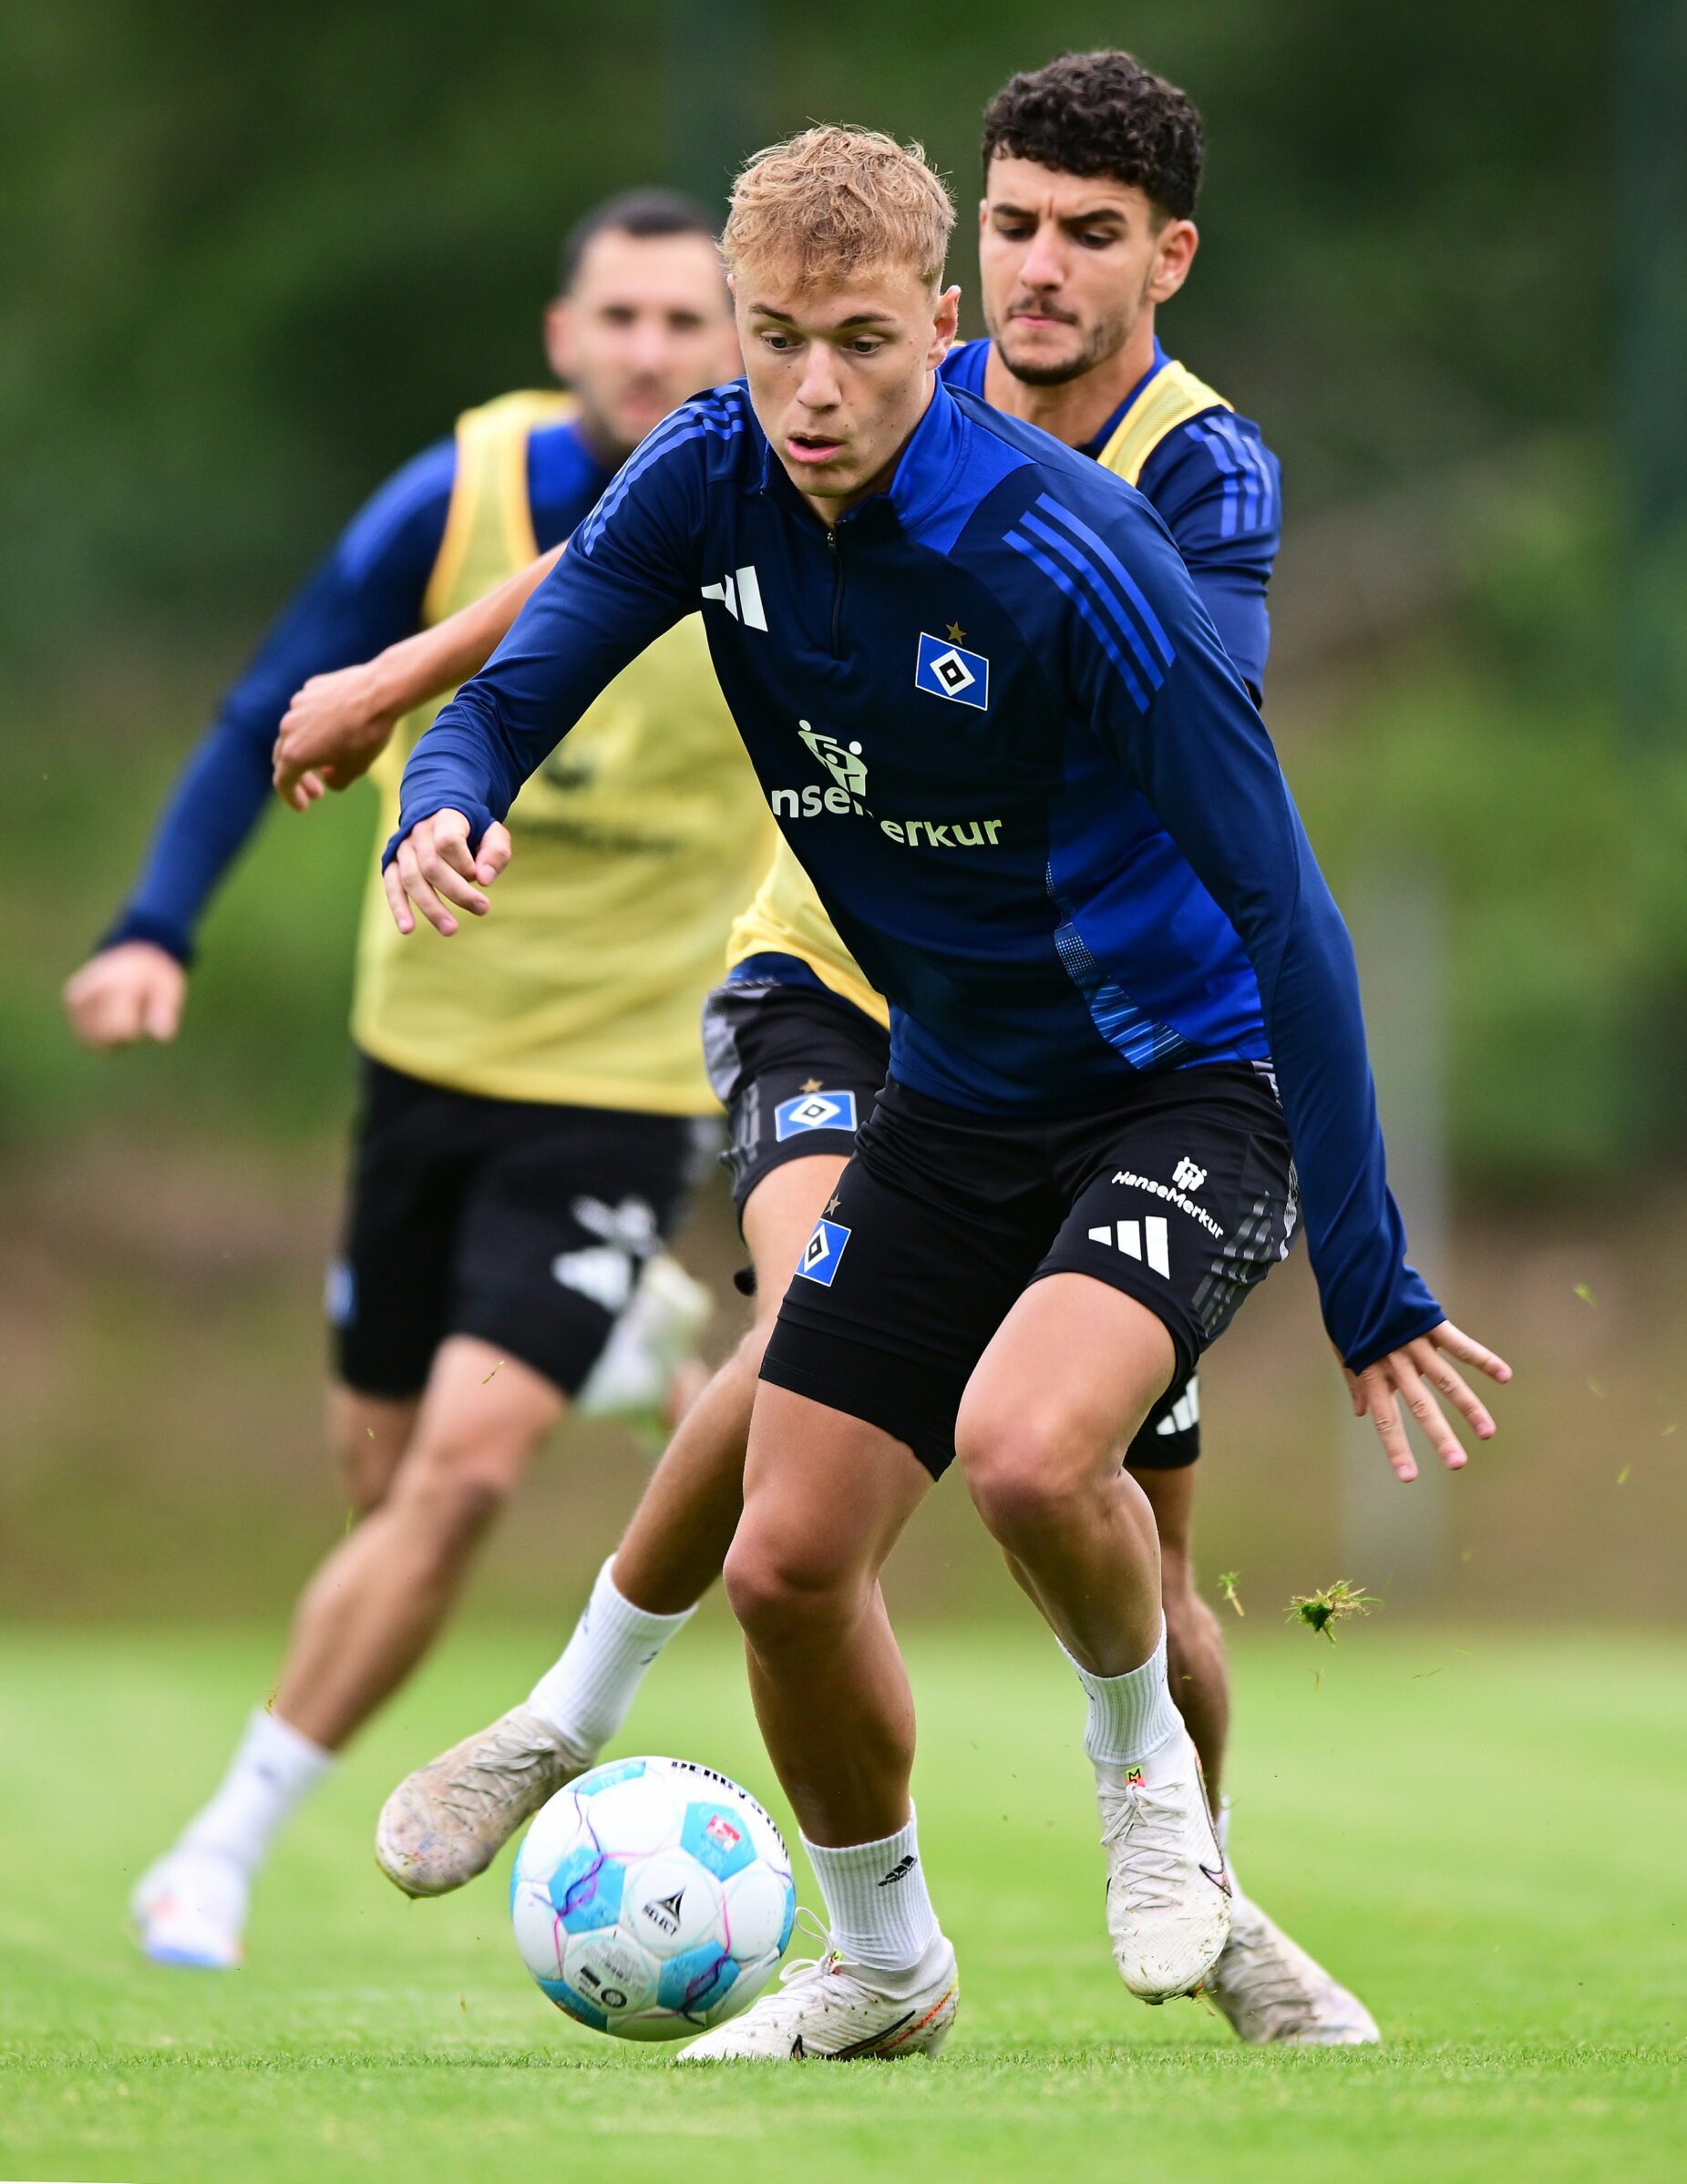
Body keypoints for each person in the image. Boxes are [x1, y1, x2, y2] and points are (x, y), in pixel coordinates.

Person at [380, 121, 1510, 2063]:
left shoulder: (1071, 545)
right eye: (773, 340)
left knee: (1023, 1451)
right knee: (785, 1561)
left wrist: (1365, 1262)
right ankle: (884, 1966)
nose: (811, 392)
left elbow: (1288, 913)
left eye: (860, 344)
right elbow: (507, 690)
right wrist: (443, 797)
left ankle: (1147, 1796)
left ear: (944, 324)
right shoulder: (709, 473)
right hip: (949, 1095)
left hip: (1177, 1089)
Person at [63, 190, 767, 1969]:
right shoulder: (446, 498)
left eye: (688, 324)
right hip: (419, 1063)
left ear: (730, 343)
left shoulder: (770, 522)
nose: (651, 351)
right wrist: (157, 923)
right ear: (562, 336)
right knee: (380, 1480)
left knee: (461, 1475)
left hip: (621, 1082)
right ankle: (617, 1339)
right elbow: (271, 707)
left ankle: (215, 1846)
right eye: (621, 317)